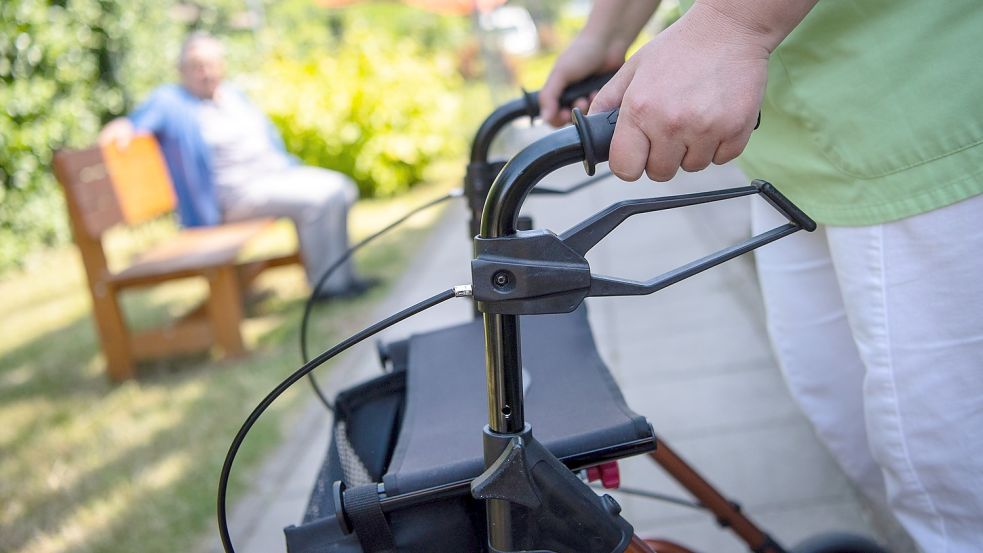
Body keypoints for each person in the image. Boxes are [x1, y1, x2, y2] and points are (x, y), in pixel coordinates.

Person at [539, 1, 983, 551]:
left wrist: (731, 25)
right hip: (793, 154)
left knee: (951, 476)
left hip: (918, 112)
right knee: (866, 437)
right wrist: (605, 35)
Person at [100, 32, 373, 298]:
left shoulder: (232, 94)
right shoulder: (172, 101)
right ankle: (329, 287)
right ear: (181, 71)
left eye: (211, 64)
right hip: (235, 197)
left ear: (222, 65)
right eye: (196, 67)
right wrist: (124, 127)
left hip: (273, 177)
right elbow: (138, 121)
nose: (205, 72)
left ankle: (345, 277)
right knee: (318, 199)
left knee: (343, 188)